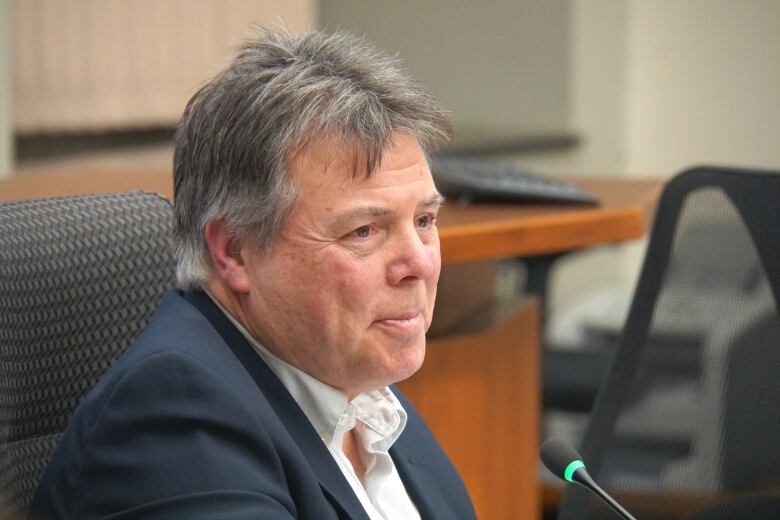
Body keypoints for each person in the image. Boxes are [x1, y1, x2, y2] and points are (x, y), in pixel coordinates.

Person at [31, 27, 476, 519]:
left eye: (424, 221)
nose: (419, 263)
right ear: (235, 251)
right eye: (365, 231)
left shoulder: (361, 389)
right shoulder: (174, 419)